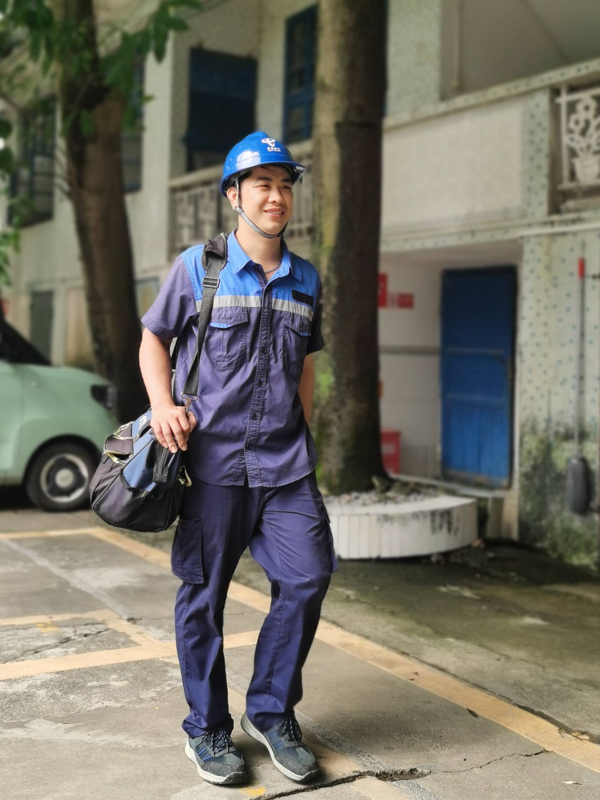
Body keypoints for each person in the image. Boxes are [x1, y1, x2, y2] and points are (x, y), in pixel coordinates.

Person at [139, 131, 338, 787]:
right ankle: (206, 728)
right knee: (203, 598)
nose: (276, 196)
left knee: (308, 575)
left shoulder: (306, 278)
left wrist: (303, 431)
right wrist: (162, 404)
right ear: (234, 195)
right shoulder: (199, 268)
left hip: (286, 468)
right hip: (213, 465)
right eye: (262, 185)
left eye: (285, 185)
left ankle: (271, 712)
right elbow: (153, 339)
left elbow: (304, 366)